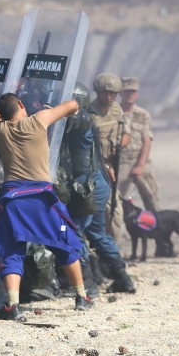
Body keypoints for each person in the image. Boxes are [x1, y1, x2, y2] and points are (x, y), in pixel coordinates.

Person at [0, 93, 93, 322]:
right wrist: (72, 110)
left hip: (13, 201)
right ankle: (81, 297)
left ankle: (13, 305)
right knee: (66, 241)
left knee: (11, 249)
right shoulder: (38, 119)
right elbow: (73, 104)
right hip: (42, 199)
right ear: (22, 105)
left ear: (2, 114)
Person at [62, 82, 135, 295]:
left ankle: (87, 285)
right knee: (97, 232)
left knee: (74, 232)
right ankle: (122, 278)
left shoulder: (78, 120)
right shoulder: (86, 117)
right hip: (97, 184)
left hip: (88, 186)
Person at [87, 73, 130, 243]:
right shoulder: (90, 113)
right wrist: (103, 166)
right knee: (94, 216)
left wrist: (119, 146)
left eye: (113, 93)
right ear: (97, 92)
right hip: (95, 171)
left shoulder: (117, 110)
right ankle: (93, 256)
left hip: (112, 170)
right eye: (105, 92)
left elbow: (127, 135)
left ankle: (110, 254)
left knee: (115, 217)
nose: (109, 96)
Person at [119, 77, 160, 212]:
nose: (130, 94)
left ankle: (157, 232)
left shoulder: (143, 115)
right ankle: (111, 233)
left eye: (133, 91)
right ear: (120, 92)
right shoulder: (113, 113)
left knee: (152, 201)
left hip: (141, 161)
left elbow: (147, 141)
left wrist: (140, 165)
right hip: (121, 163)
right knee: (115, 202)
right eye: (127, 91)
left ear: (137, 93)